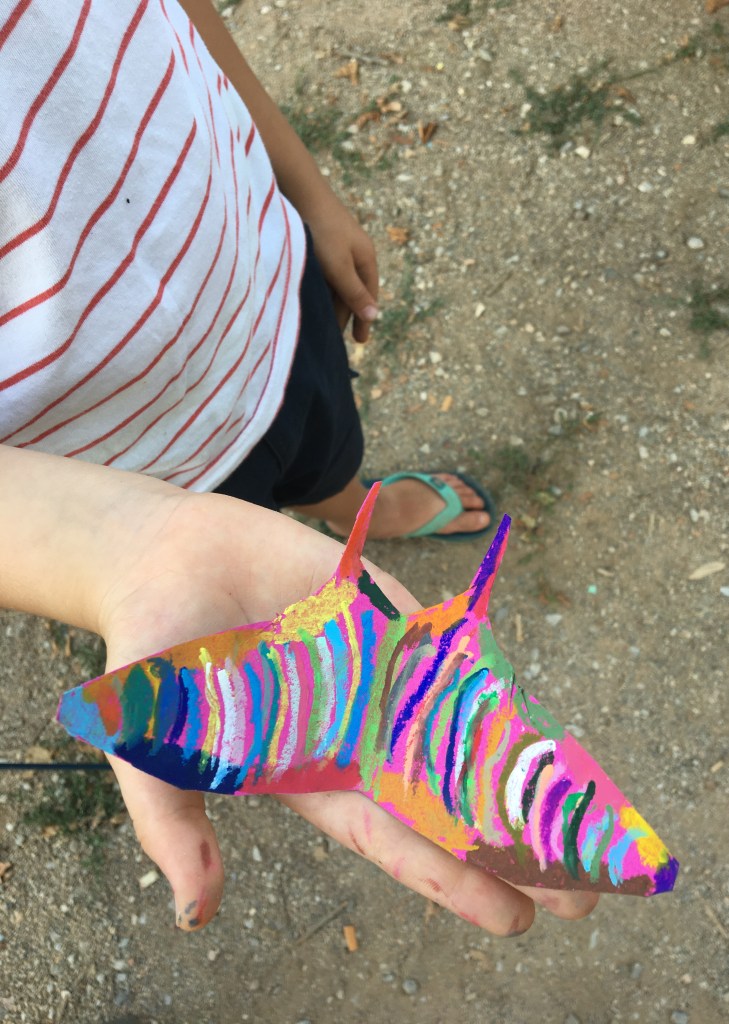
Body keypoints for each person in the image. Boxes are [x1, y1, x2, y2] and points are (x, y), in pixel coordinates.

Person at [0, 0, 596, 932]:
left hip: (261, 285)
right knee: (264, 526)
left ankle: (362, 505)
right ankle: (352, 507)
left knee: (328, 452)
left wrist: (308, 189)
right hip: (114, 468)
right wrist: (112, 547)